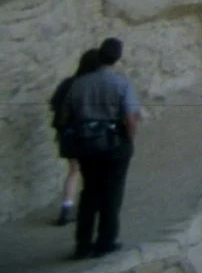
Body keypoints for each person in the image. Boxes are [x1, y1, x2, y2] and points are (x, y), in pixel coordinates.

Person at [62, 37, 140, 260]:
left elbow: (67, 114)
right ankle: (105, 242)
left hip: (86, 144)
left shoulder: (79, 84)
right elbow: (130, 118)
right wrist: (130, 140)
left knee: (89, 194)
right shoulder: (120, 83)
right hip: (114, 143)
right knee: (112, 194)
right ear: (117, 58)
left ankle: (83, 244)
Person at [49, 48, 98, 227]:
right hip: (87, 134)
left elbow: (53, 105)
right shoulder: (90, 85)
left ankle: (66, 209)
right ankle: (90, 207)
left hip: (67, 135)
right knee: (93, 172)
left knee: (73, 171)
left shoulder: (68, 83)